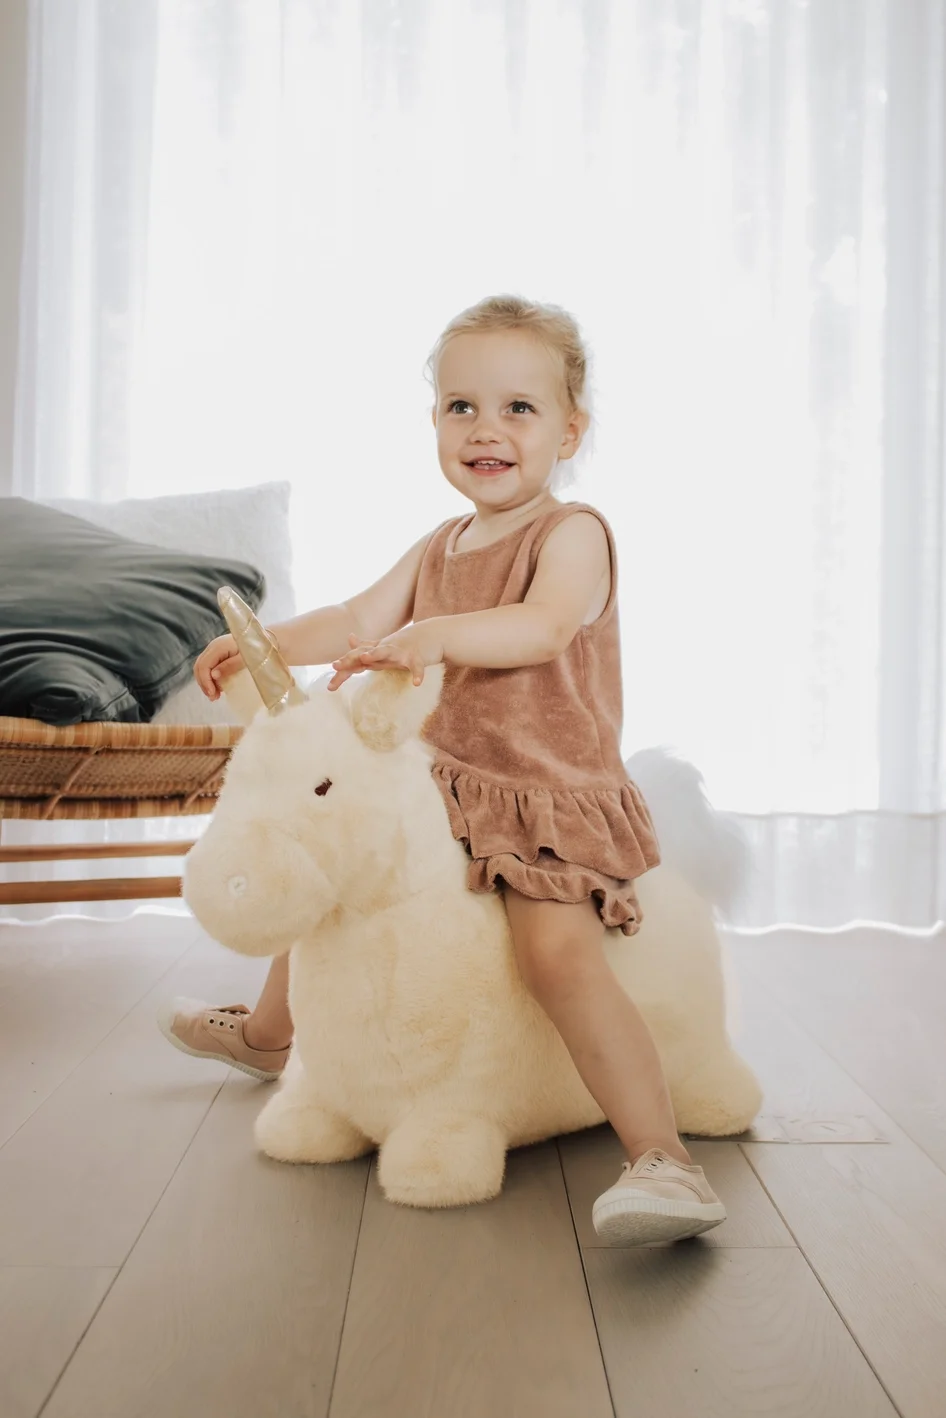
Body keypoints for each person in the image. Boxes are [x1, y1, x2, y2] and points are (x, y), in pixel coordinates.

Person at [158, 295, 725, 1245]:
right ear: (434, 425)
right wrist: (259, 642)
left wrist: (430, 638)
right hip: (440, 785)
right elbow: (353, 621)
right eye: (461, 407)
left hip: (545, 794)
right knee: (338, 861)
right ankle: (271, 1036)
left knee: (557, 956)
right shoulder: (439, 546)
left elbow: (540, 627)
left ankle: (662, 1155)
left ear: (570, 429)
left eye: (518, 409)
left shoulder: (573, 535)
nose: (486, 430)